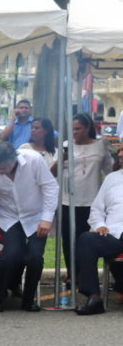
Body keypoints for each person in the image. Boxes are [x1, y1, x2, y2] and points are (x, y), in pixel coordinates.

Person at [0, 141, 58, 312]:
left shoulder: (34, 160)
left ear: (13, 160)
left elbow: (50, 187)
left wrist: (47, 218)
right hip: (9, 216)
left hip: (36, 215)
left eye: (2, 168)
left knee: (34, 257)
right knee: (10, 256)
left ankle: (29, 300)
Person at [56, 113, 113, 287]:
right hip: (68, 200)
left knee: (87, 238)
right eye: (72, 129)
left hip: (92, 201)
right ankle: (72, 274)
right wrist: (62, 159)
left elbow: (109, 170)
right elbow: (52, 172)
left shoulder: (100, 146)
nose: (75, 132)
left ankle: (86, 275)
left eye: (78, 129)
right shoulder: (66, 146)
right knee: (68, 239)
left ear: (88, 128)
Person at [74, 167, 123, 315]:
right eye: (120, 150)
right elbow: (96, 209)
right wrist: (99, 225)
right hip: (113, 234)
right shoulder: (112, 178)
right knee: (86, 239)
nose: (120, 154)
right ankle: (94, 297)